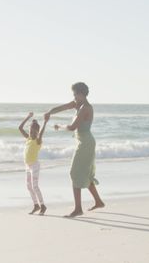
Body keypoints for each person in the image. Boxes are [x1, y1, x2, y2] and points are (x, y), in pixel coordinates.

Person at [44, 82, 104, 217]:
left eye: (75, 94)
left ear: (82, 94)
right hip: (82, 142)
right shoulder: (78, 104)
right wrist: (50, 112)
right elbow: (64, 107)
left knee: (74, 173)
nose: (74, 97)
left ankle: (78, 209)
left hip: (86, 143)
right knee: (85, 174)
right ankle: (98, 201)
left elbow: (72, 127)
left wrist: (59, 126)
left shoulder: (85, 108)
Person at [18, 112, 49, 215]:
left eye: (33, 130)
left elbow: (42, 133)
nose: (31, 131)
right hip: (27, 166)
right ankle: (36, 205)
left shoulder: (38, 140)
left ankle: (43, 205)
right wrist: (27, 117)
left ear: (37, 131)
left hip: (34, 166)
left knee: (35, 186)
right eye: (30, 129)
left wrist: (45, 122)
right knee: (29, 186)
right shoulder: (28, 138)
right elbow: (20, 128)